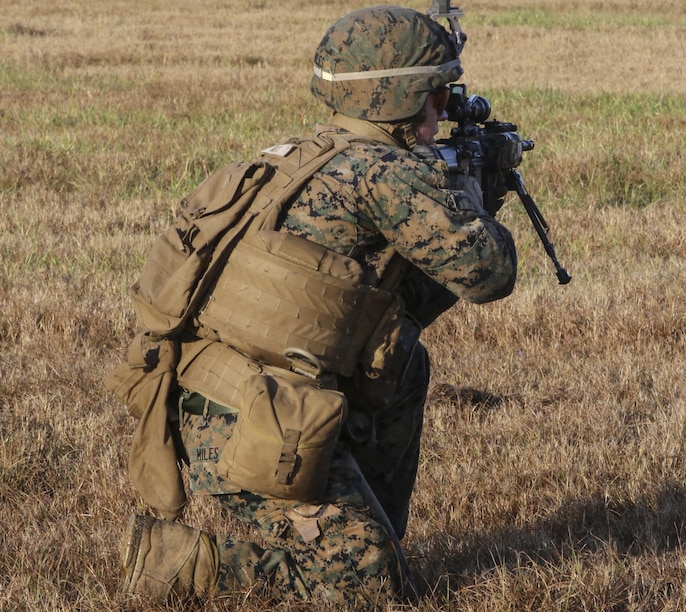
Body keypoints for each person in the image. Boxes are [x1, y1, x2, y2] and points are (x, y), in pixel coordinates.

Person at [117, 5, 517, 607]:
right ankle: (180, 562)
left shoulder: (306, 156)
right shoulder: (383, 174)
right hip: (253, 418)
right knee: (370, 585)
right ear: (403, 99)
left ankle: (367, 532)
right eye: (437, 94)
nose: (444, 108)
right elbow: (489, 274)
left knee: (405, 361)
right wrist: (473, 201)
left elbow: (396, 307)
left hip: (223, 394)